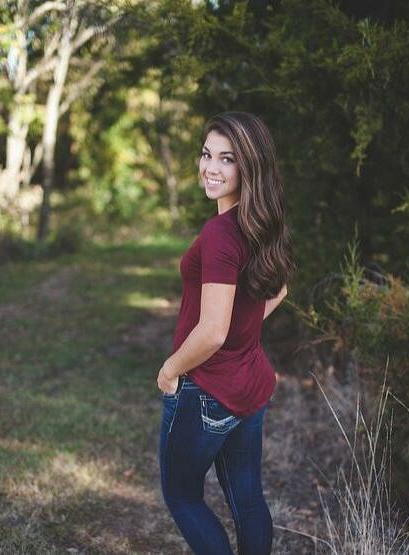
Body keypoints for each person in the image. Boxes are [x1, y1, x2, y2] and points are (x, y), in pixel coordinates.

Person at [157, 111, 296, 554]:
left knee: (182, 496)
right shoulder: (259, 222)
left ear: (249, 166)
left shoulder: (221, 232)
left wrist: (170, 369)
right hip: (250, 383)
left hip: (207, 389)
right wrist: (242, 332)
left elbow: (214, 332)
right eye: (206, 154)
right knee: (247, 500)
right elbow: (279, 290)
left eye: (227, 159)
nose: (210, 168)